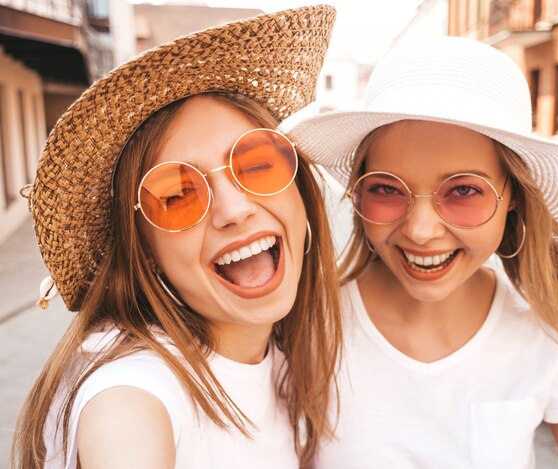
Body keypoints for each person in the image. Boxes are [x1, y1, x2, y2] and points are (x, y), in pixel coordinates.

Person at [12, 6, 342, 469]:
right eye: (177, 194)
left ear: (301, 188)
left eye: (257, 163)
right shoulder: (133, 397)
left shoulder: (287, 359)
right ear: (144, 250)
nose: (234, 210)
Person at [288, 37, 558, 468]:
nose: (421, 231)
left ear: (514, 198)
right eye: (387, 189)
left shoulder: (542, 335)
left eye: (464, 190)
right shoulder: (311, 325)